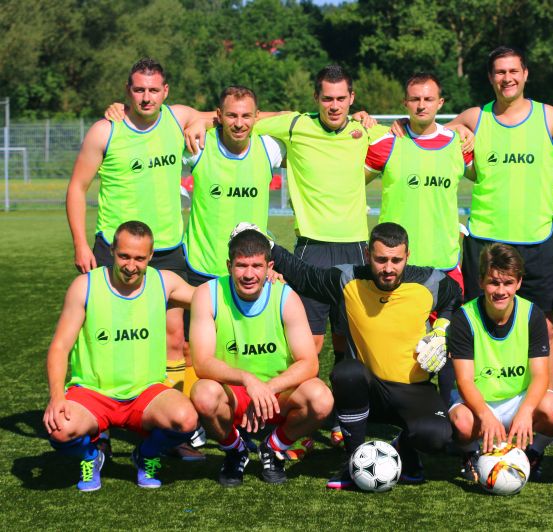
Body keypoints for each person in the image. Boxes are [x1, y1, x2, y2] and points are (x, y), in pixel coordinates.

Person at [184, 65, 385, 447]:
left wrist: (453, 128)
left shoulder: (366, 130)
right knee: (312, 344)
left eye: (341, 98)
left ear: (352, 98)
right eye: (327, 98)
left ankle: (342, 418)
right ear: (316, 99)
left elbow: (406, 134)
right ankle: (283, 415)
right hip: (311, 246)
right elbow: (247, 119)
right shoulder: (294, 126)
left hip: (355, 245)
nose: (334, 105)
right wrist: (202, 118)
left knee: (350, 341)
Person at [66, 59, 204, 441]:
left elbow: (220, 115)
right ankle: (100, 420)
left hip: (167, 249)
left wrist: (197, 121)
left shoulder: (177, 118)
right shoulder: (105, 130)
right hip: (116, 250)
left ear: (165, 91)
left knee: (176, 340)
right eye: (139, 89)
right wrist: (80, 242)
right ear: (128, 91)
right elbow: (77, 187)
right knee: (106, 336)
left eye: (154, 90)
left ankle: (172, 429)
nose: (146, 97)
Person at [267, 222, 462, 489]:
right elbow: (306, 277)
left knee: (436, 436)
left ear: (407, 256)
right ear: (368, 254)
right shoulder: (348, 279)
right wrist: (269, 247)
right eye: (381, 260)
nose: (388, 268)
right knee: (346, 372)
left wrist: (441, 329)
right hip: (367, 389)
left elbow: (455, 296)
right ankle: (353, 460)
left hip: (414, 389)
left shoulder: (429, 281)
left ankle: (402, 449)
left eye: (396, 260)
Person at [447, 46, 553, 393]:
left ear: (525, 74)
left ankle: (544, 402)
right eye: (500, 72)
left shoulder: (549, 117)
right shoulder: (475, 117)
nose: (507, 78)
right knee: (478, 324)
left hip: (537, 241)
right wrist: (453, 132)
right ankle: (480, 398)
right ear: (491, 77)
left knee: (543, 326)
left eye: (513, 71)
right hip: (485, 241)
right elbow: (429, 133)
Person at [43, 221, 199, 491]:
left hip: (146, 393)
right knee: (59, 428)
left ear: (151, 256)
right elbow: (59, 347)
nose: (131, 265)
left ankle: (146, 454)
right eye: (124, 256)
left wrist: (265, 280)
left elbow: (212, 299)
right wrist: (57, 397)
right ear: (112, 251)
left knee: (186, 419)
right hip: (93, 393)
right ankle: (90, 456)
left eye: (140, 258)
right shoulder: (85, 286)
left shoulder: (164, 283)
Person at [189, 225, 333, 487]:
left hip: (278, 394)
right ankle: (235, 450)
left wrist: (268, 388)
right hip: (233, 393)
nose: (249, 274)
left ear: (270, 267)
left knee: (321, 398)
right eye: (241, 266)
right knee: (203, 394)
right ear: (229, 265)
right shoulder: (207, 294)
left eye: (257, 266)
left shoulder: (285, 296)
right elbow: (202, 363)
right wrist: (248, 380)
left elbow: (309, 362)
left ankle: (273, 447)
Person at [365, 72, 472, 404]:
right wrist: (360, 120)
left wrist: (467, 131)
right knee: (399, 348)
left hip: (445, 264)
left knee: (450, 347)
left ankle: (454, 413)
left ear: (440, 103)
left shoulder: (459, 145)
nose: (421, 105)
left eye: (428, 99)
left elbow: (489, 179)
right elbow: (350, 183)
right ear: (405, 103)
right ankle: (398, 409)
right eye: (415, 99)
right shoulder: (387, 142)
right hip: (397, 267)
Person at [447, 243, 553, 482]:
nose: (501, 291)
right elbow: (464, 380)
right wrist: (485, 414)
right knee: (462, 422)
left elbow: (540, 375)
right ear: (481, 281)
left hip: (518, 398)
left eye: (508, 283)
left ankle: (533, 453)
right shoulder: (464, 318)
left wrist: (526, 411)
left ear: (519, 283)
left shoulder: (532, 314)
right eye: (493, 282)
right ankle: (471, 453)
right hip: (479, 401)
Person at [183, 86, 284, 285]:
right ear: (219, 115)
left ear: (257, 116)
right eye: (231, 115)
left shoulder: (269, 148)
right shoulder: (199, 144)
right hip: (201, 267)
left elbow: (292, 118)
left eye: (246, 116)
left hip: (250, 269)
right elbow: (163, 123)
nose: (239, 124)